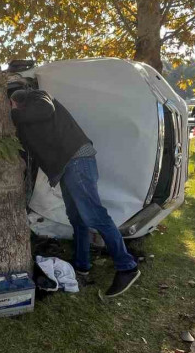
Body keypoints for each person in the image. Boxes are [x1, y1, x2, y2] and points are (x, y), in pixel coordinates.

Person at [10, 88, 140, 297]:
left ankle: (127, 267)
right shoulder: (26, 122)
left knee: (94, 215)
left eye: (12, 105)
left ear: (16, 101)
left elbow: (44, 109)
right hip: (65, 167)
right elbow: (27, 149)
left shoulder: (39, 97)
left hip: (76, 159)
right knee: (76, 218)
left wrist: (13, 114)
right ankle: (82, 264)